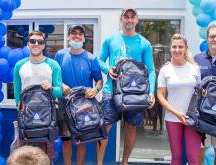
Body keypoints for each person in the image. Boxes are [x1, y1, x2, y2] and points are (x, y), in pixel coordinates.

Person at [97, 8, 156, 165]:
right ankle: (99, 163)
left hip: (135, 93)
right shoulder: (110, 40)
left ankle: (124, 162)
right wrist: (107, 69)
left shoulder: (145, 43)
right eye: (126, 17)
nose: (129, 20)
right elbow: (99, 60)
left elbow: (150, 69)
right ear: (121, 19)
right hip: (112, 90)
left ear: (137, 20)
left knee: (131, 127)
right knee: (105, 127)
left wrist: (151, 92)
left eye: (132, 17)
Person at [54, 24, 103, 165]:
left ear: (83, 38)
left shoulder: (91, 58)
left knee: (82, 140)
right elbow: (54, 78)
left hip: (84, 104)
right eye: (73, 33)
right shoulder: (60, 55)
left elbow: (99, 80)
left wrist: (96, 90)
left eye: (80, 34)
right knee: (66, 140)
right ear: (68, 36)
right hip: (64, 103)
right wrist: (61, 85)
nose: (77, 36)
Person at [13, 30, 63, 160]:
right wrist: (20, 109)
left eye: (40, 42)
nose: (36, 44)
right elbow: (17, 93)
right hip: (26, 119)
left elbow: (61, 91)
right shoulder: (19, 65)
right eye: (32, 41)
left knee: (46, 158)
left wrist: (51, 88)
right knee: (23, 157)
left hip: (47, 119)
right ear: (28, 44)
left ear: (44, 45)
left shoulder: (53, 65)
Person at [157, 33, 201, 165]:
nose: (177, 50)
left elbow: (200, 93)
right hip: (172, 118)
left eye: (180, 47)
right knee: (176, 156)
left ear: (186, 48)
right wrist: (176, 113)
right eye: (174, 47)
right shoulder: (165, 70)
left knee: (193, 157)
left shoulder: (195, 69)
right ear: (170, 48)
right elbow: (160, 96)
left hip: (192, 119)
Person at [194, 24, 216, 165]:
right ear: (207, 39)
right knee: (199, 149)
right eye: (212, 36)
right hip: (203, 114)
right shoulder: (197, 59)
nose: (214, 39)